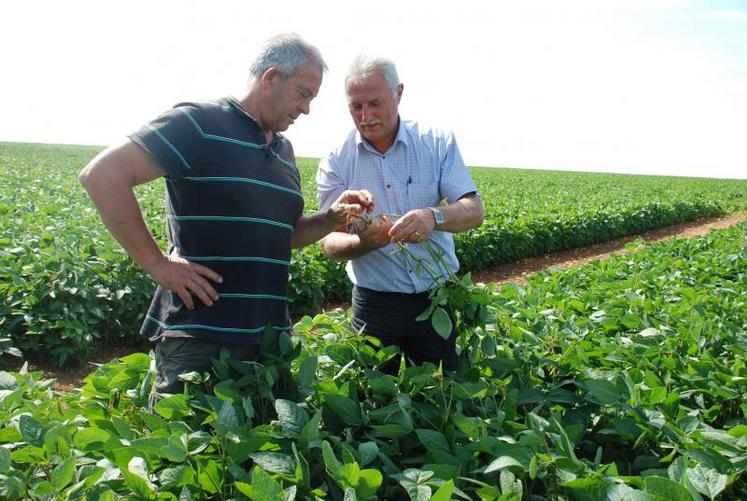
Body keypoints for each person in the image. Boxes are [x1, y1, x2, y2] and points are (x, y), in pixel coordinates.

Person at [79, 34, 373, 395]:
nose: (307, 108)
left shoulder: (284, 152)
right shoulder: (198, 123)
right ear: (270, 78)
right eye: (303, 93)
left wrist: (329, 219)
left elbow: (281, 236)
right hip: (201, 338)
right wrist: (159, 265)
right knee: (187, 448)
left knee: (256, 446)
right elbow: (103, 176)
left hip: (267, 342)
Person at [316, 56, 484, 374]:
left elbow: (474, 211)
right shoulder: (338, 160)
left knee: (439, 395)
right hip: (374, 304)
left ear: (399, 93)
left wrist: (433, 217)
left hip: (435, 298)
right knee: (375, 404)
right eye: (356, 106)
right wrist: (365, 243)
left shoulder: (436, 143)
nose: (365, 116)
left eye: (375, 103)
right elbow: (328, 242)